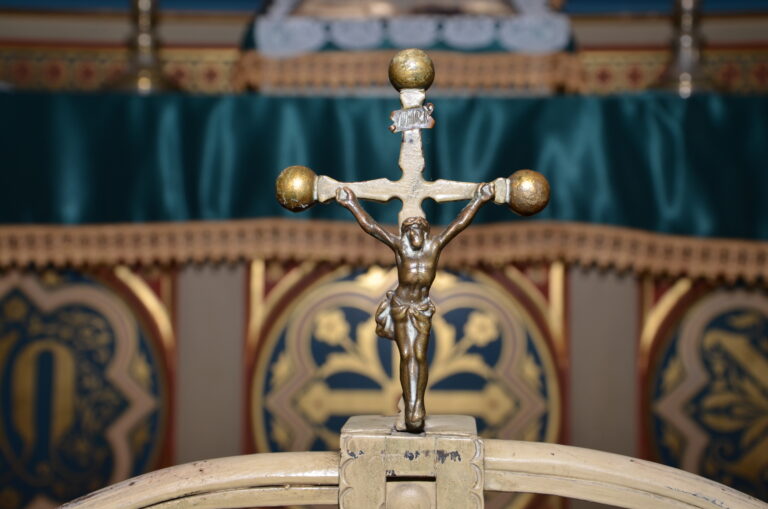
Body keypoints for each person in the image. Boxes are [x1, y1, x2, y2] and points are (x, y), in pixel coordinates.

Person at [336, 182, 495, 432]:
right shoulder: (401, 247)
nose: (415, 235)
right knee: (407, 355)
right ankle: (411, 407)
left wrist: (479, 200)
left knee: (420, 356)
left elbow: (458, 224)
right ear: (406, 233)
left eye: (418, 230)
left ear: (426, 232)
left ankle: (418, 404)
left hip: (422, 308)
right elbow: (372, 227)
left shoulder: (434, 246)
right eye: (410, 231)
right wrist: (351, 204)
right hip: (402, 306)